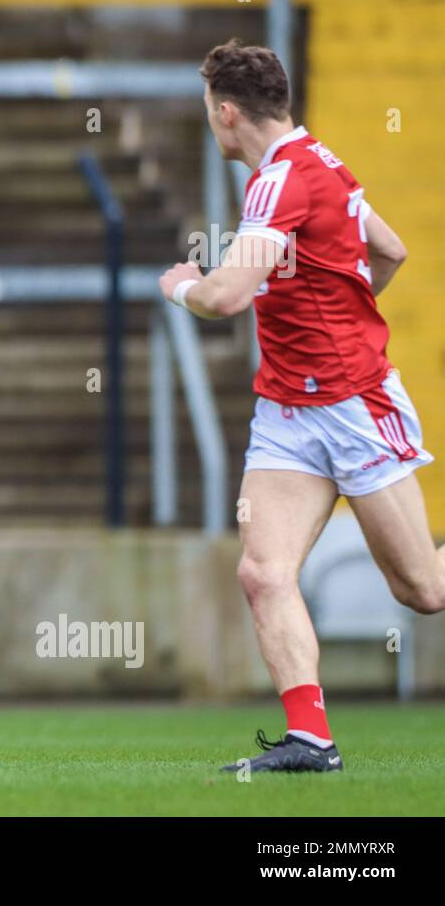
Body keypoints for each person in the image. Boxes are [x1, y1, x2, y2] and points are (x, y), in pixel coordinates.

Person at [159, 39, 444, 773]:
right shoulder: (320, 161)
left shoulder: (280, 179)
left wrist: (182, 285)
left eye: (208, 113)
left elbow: (225, 296)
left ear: (226, 114)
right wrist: (333, 310)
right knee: (262, 571)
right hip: (288, 408)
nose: (210, 124)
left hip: (351, 401)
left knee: (424, 590)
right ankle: (311, 739)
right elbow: (391, 251)